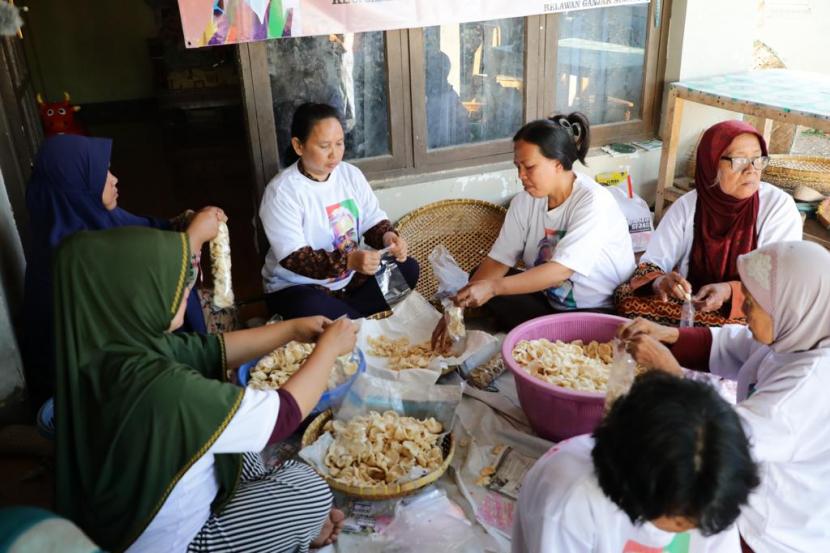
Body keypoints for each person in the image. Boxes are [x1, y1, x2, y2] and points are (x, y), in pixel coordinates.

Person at [52, 221, 357, 552]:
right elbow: (282, 415)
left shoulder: (109, 350)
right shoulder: (160, 387)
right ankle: (293, 526)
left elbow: (214, 349)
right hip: (179, 544)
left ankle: (284, 521)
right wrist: (328, 350)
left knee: (237, 446)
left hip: (140, 500)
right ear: (135, 292)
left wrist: (293, 329)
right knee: (309, 491)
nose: (187, 290)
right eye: (172, 283)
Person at [620, 241, 830, 552]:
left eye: (753, 304)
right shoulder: (798, 333)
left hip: (770, 531)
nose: (743, 309)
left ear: (791, 307)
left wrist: (669, 370)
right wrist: (671, 335)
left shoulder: (808, 386)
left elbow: (727, 437)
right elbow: (735, 343)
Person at [21, 134, 210, 408]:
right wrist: (193, 240)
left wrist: (189, 222)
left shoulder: (88, 219)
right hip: (96, 390)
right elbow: (166, 317)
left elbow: (150, 231)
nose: (114, 179)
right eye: (102, 175)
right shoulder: (71, 257)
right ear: (75, 189)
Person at [433, 113, 634, 344]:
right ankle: (541, 335)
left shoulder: (593, 202)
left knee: (494, 290)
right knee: (479, 281)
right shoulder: (525, 201)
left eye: (529, 167)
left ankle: (545, 337)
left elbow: (561, 271)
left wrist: (494, 288)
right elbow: (499, 261)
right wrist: (455, 310)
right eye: (518, 167)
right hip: (548, 305)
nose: (521, 176)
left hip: (595, 313)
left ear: (558, 164)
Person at [512, 371, 759, 553]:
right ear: (636, 492)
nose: (696, 525)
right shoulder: (568, 504)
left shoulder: (714, 487)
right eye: (683, 520)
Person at [614, 120, 801, 327]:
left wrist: (729, 291)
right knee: (626, 298)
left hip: (748, 308)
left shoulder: (777, 207)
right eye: (739, 160)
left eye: (758, 159)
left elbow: (779, 280)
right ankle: (700, 338)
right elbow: (651, 264)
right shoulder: (688, 206)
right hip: (695, 303)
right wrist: (661, 282)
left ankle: (695, 338)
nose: (751, 169)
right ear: (711, 164)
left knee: (770, 322)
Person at [260, 102, 419, 320]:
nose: (334, 155)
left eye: (339, 143)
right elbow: (295, 258)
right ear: (299, 146)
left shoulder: (350, 175)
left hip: (351, 281)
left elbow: (372, 220)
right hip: (300, 287)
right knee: (309, 305)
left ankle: (345, 318)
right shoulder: (282, 192)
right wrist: (349, 261)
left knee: (407, 269)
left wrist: (388, 238)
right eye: (324, 146)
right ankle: (351, 319)